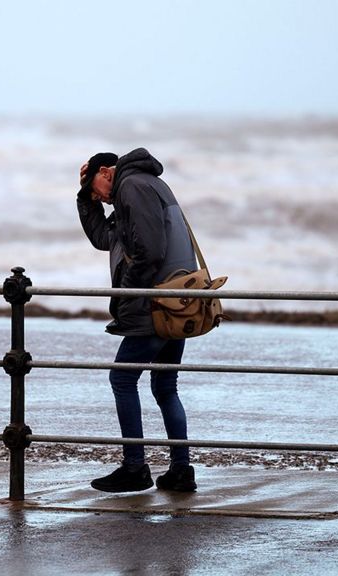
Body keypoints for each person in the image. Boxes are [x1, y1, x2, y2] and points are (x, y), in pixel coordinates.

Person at [76, 147, 198, 493]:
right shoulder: (147, 183)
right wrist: (84, 200)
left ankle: (135, 468)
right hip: (176, 298)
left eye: (93, 190)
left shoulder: (132, 187)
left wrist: (128, 295)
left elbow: (151, 250)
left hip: (155, 301)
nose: (99, 198)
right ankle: (180, 471)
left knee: (122, 379)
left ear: (105, 173)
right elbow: (105, 239)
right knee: (164, 385)